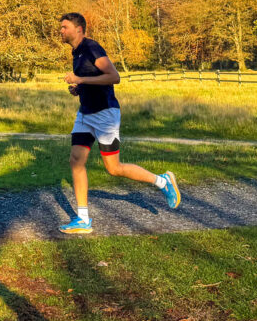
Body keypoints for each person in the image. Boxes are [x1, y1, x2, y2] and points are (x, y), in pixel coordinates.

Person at [58, 12, 181, 234]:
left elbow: (114, 77)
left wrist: (80, 79)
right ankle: (83, 219)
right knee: (76, 160)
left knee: (114, 168)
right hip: (85, 114)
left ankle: (162, 181)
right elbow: (93, 79)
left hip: (105, 114)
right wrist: (79, 88)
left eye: (64, 27)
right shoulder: (76, 52)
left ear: (78, 29)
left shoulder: (92, 47)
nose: (61, 31)